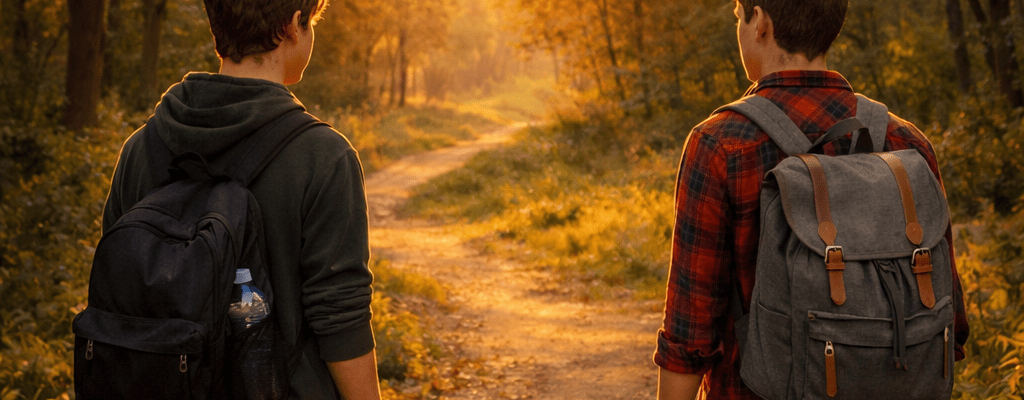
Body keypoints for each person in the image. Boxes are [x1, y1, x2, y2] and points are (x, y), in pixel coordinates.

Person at [653, 0, 969, 398]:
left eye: (739, 17)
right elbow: (949, 319)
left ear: (761, 23)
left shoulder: (721, 144)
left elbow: (690, 334)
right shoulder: (905, 142)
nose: (740, 27)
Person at [100, 0, 382, 398]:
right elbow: (340, 317)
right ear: (291, 26)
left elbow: (116, 297)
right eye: (312, 22)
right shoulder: (323, 156)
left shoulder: (141, 149)